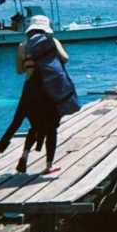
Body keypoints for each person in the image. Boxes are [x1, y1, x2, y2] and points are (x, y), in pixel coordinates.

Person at [14, 15, 80, 174]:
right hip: (50, 90)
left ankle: (24, 155)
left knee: (35, 126)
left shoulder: (22, 45)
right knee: (51, 128)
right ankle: (49, 165)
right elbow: (66, 58)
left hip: (30, 91)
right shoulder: (52, 41)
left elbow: (19, 70)